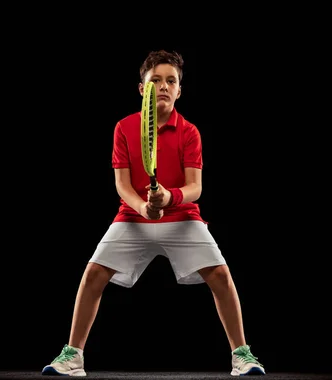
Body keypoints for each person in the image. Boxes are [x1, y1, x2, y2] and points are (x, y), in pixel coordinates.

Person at [41, 50, 265, 377]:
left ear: (179, 90)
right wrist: (144, 207)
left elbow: (195, 187)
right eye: (155, 80)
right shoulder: (124, 128)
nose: (163, 86)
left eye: (170, 81)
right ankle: (72, 357)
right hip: (133, 219)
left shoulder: (190, 133)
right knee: (93, 274)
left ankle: (242, 356)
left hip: (183, 218)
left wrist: (169, 198)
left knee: (220, 276)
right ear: (141, 88)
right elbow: (122, 184)